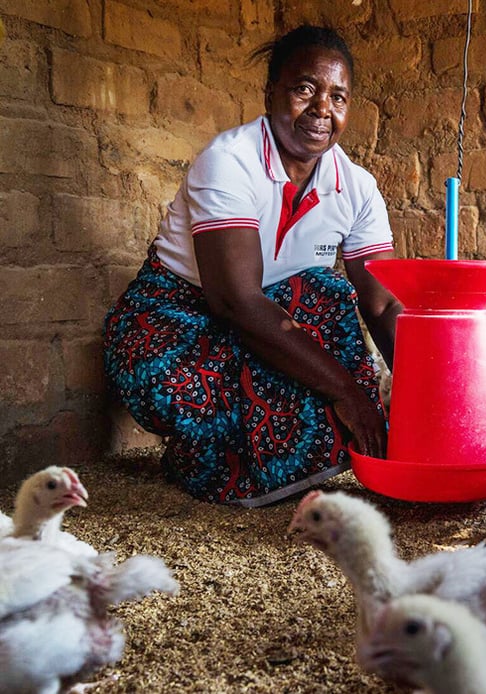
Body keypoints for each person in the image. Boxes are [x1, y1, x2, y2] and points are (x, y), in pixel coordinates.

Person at [103, 25, 402, 507]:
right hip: (174, 323)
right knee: (296, 351)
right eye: (305, 89)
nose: (322, 109)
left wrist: (424, 397)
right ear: (270, 93)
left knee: (325, 296)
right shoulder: (229, 162)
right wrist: (349, 393)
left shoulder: (358, 187)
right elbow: (236, 301)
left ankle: (275, 466)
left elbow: (382, 300)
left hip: (267, 329)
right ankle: (206, 461)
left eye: (338, 97)